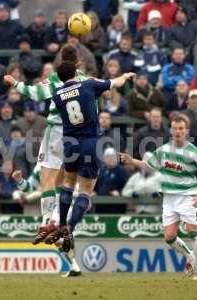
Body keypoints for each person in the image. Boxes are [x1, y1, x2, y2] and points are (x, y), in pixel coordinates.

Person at [4, 45, 88, 246]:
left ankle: (47, 221)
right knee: (64, 180)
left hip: (57, 131)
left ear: (61, 60)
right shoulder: (85, 79)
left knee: (47, 178)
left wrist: (16, 83)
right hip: (78, 135)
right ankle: (57, 222)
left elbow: (35, 93)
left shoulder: (55, 78)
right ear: (78, 62)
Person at [48, 60, 134, 254]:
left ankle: (62, 224)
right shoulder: (88, 84)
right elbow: (114, 84)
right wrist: (125, 77)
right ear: (76, 73)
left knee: (68, 184)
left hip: (70, 143)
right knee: (85, 191)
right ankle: (70, 227)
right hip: (90, 142)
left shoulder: (57, 95)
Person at [121, 114, 197, 280]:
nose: (177, 131)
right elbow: (149, 167)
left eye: (181, 129)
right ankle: (189, 256)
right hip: (169, 198)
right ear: (171, 130)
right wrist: (131, 160)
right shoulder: (163, 150)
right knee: (169, 237)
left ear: (186, 131)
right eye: (175, 128)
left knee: (193, 232)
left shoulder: (195, 152)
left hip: (188, 197)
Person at [94, 148, 129, 213]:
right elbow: (96, 185)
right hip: (100, 205)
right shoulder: (101, 170)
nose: (110, 159)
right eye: (108, 157)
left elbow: (126, 186)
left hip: (116, 206)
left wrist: (120, 192)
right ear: (104, 159)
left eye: (112, 156)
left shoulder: (122, 171)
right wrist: (94, 191)